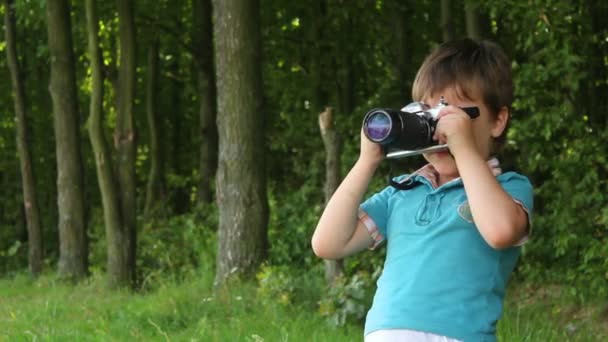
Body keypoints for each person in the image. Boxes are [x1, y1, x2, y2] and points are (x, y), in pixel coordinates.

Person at [311, 38, 533, 342]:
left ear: (497, 121)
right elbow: (328, 244)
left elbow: (500, 231)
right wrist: (366, 161)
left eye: (455, 116)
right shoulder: (404, 192)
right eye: (428, 114)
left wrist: (463, 147)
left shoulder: (507, 187)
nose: (440, 129)